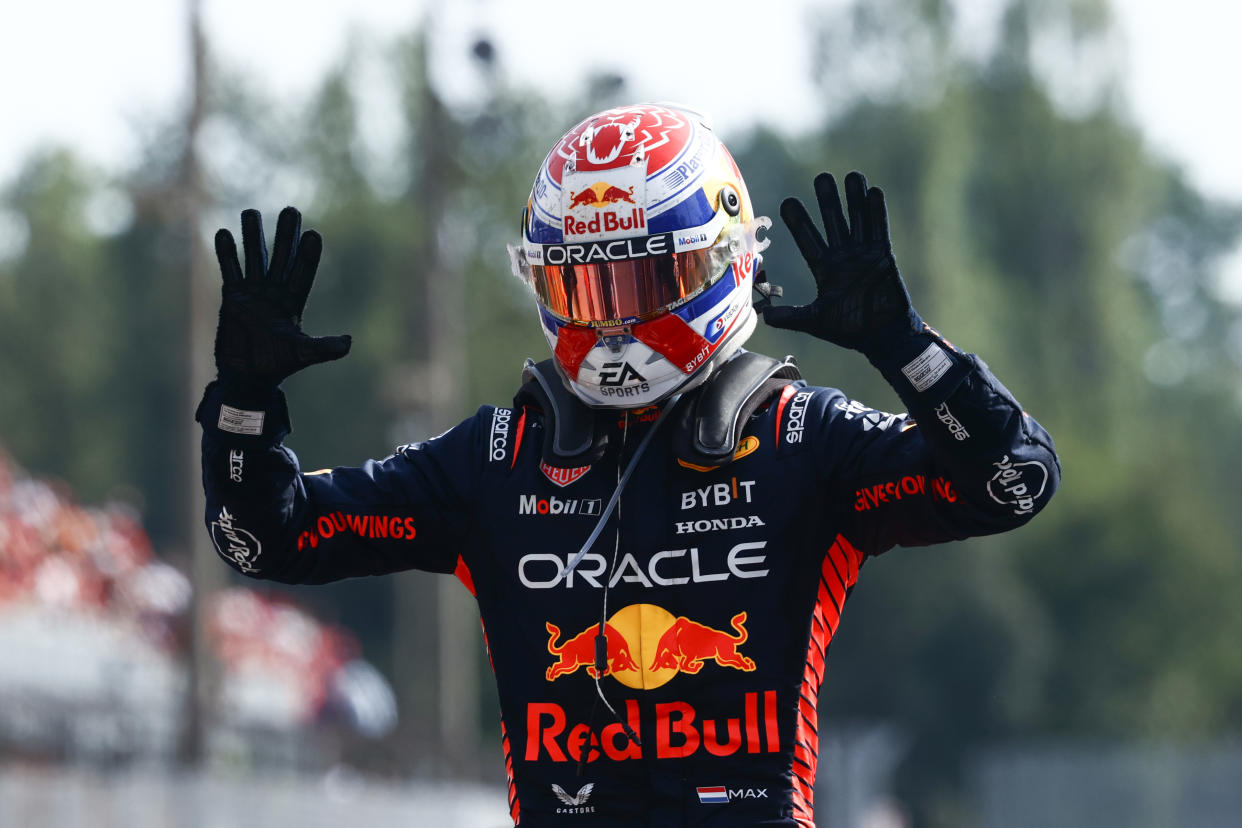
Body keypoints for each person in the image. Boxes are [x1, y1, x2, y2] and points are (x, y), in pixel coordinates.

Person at [197, 102, 1059, 827]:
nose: (614, 325)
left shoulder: (805, 441)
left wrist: (905, 347)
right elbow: (262, 540)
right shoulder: (494, 461)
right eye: (586, 289)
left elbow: (1012, 480)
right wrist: (243, 403)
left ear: (725, 264)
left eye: (643, 284)